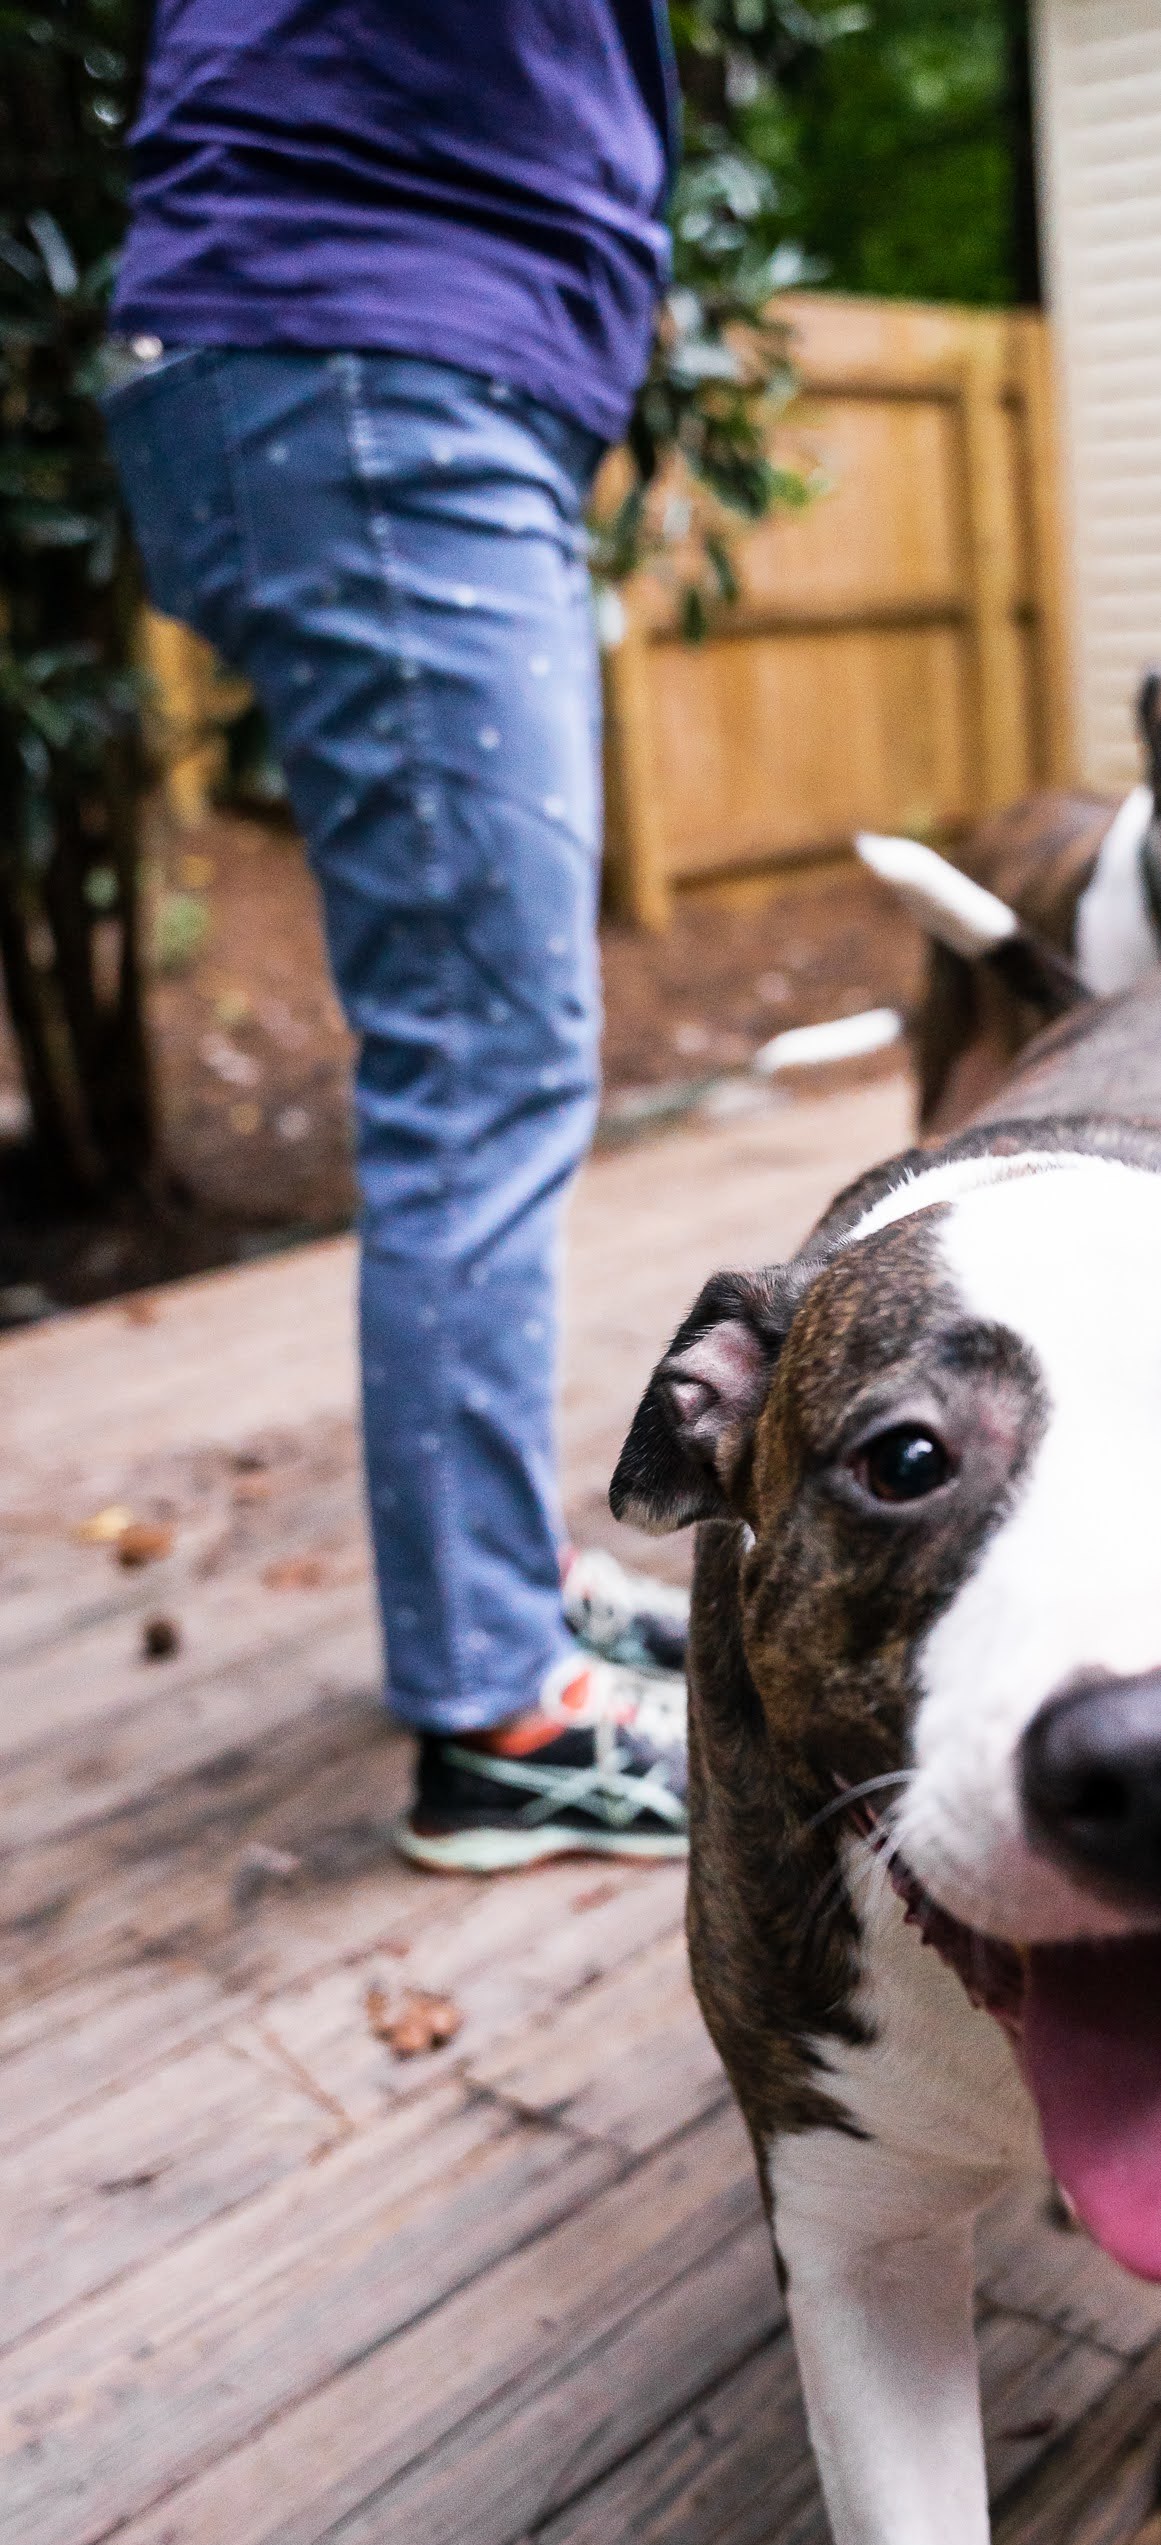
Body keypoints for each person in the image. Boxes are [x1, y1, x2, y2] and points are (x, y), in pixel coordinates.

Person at [104, 0, 698, 1872]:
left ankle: (499, 1598)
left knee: (483, 1048)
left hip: (377, 341)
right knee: (488, 1059)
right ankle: (500, 1715)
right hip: (381, 351)